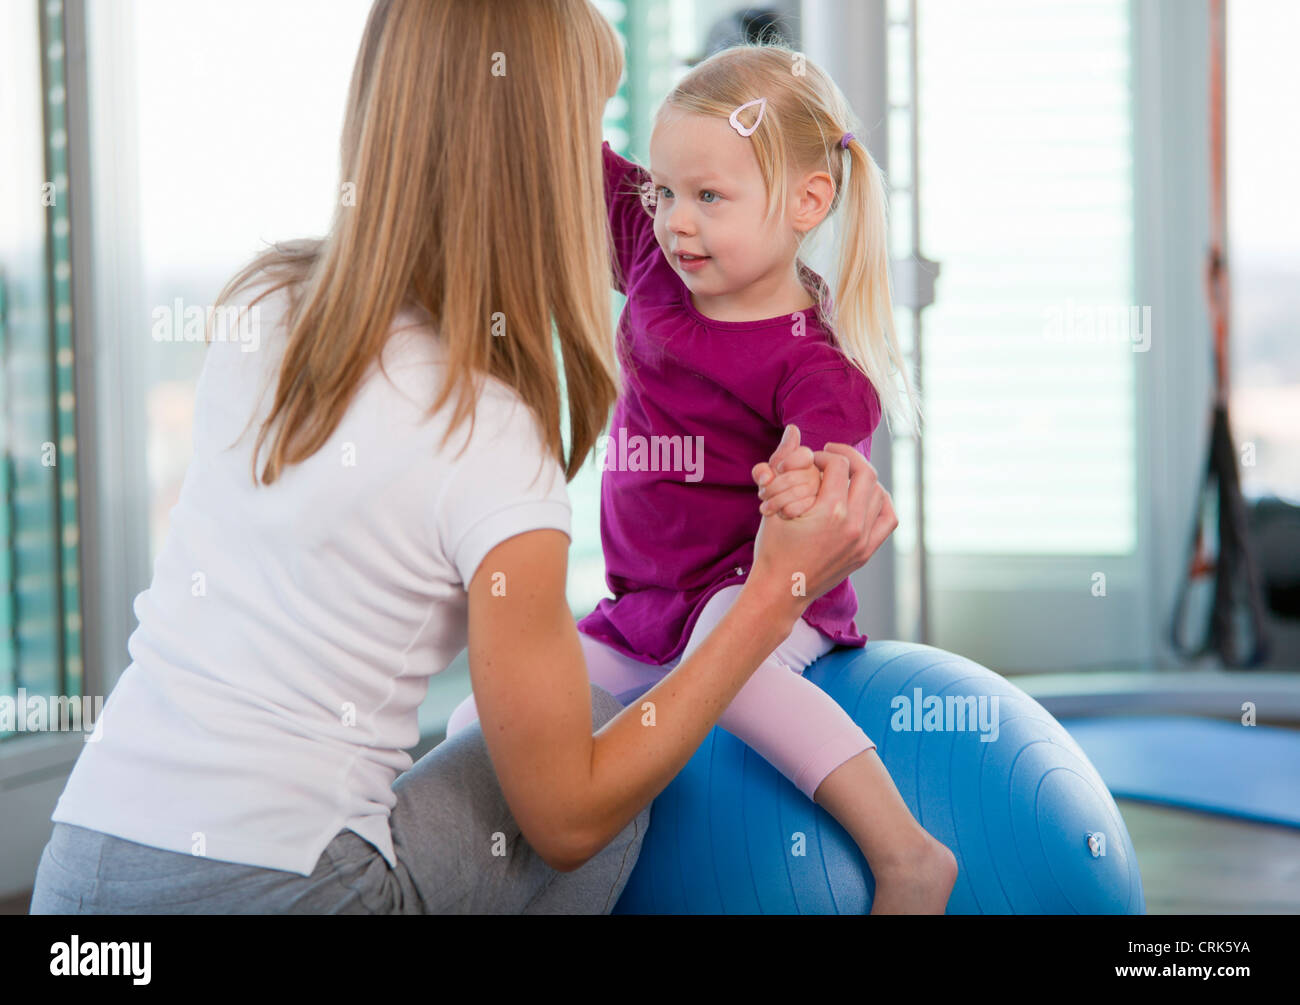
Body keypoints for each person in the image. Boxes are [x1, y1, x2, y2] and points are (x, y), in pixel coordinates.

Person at [27, 0, 897, 915]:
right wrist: (771, 594)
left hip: (77, 868)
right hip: (289, 890)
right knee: (599, 786)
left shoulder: (269, 302)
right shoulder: (485, 421)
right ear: (545, 150)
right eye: (592, 130)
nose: (635, 186)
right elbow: (567, 818)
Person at [448, 41, 956, 913]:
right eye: (665, 191)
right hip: (642, 610)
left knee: (743, 667)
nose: (676, 219)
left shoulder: (816, 367)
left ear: (807, 202)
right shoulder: (654, 254)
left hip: (753, 601)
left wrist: (805, 489)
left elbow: (834, 481)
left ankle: (907, 853)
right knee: (478, 727)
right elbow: (565, 148)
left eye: (709, 198)